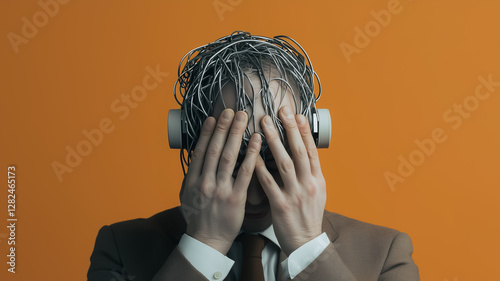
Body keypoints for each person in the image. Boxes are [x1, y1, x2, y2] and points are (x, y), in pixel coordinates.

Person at [87, 31, 420, 281]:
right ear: (189, 138)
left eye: (275, 158)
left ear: (313, 138)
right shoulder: (122, 249)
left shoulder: (385, 254)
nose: (257, 195)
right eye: (232, 164)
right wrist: (204, 243)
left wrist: (308, 247)